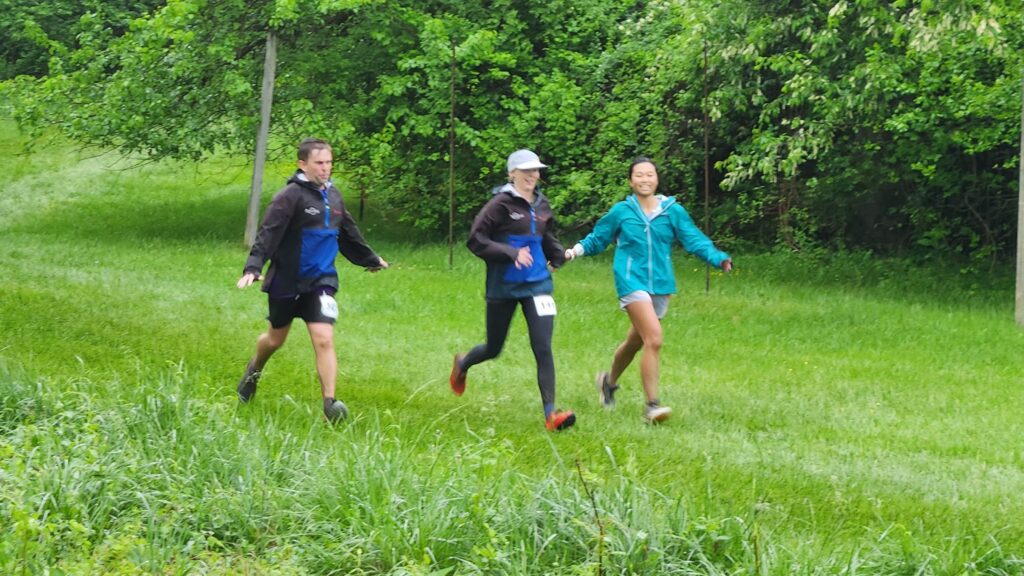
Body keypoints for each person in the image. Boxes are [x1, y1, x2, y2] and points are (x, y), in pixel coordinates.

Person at [564, 157, 732, 423]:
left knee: (636, 342)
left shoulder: (672, 211)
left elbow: (693, 238)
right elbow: (599, 238)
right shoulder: (622, 211)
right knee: (654, 338)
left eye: (649, 175)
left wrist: (717, 257)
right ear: (631, 181)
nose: (644, 179)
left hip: (661, 284)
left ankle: (608, 382)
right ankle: (652, 406)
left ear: (657, 179)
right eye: (639, 175)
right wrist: (573, 252)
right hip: (630, 279)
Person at [236, 138, 388, 423]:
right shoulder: (289, 197)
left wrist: (370, 259)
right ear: (302, 164)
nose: (325, 168)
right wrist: (254, 266)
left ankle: (330, 405)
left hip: (321, 282)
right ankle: (254, 370)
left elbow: (348, 233)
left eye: (329, 162)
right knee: (274, 339)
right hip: (286, 281)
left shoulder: (335, 197)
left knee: (324, 339)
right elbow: (269, 233)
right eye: (319, 163)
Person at [449, 149, 576, 431]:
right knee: (494, 348)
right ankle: (463, 364)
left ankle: (551, 415)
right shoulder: (499, 205)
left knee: (542, 347)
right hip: (503, 287)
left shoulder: (542, 205)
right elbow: (476, 240)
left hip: (538, 286)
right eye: (526, 170)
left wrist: (559, 257)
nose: (533, 175)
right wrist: (510, 252)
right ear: (512, 174)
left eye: (536, 170)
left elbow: (546, 238)